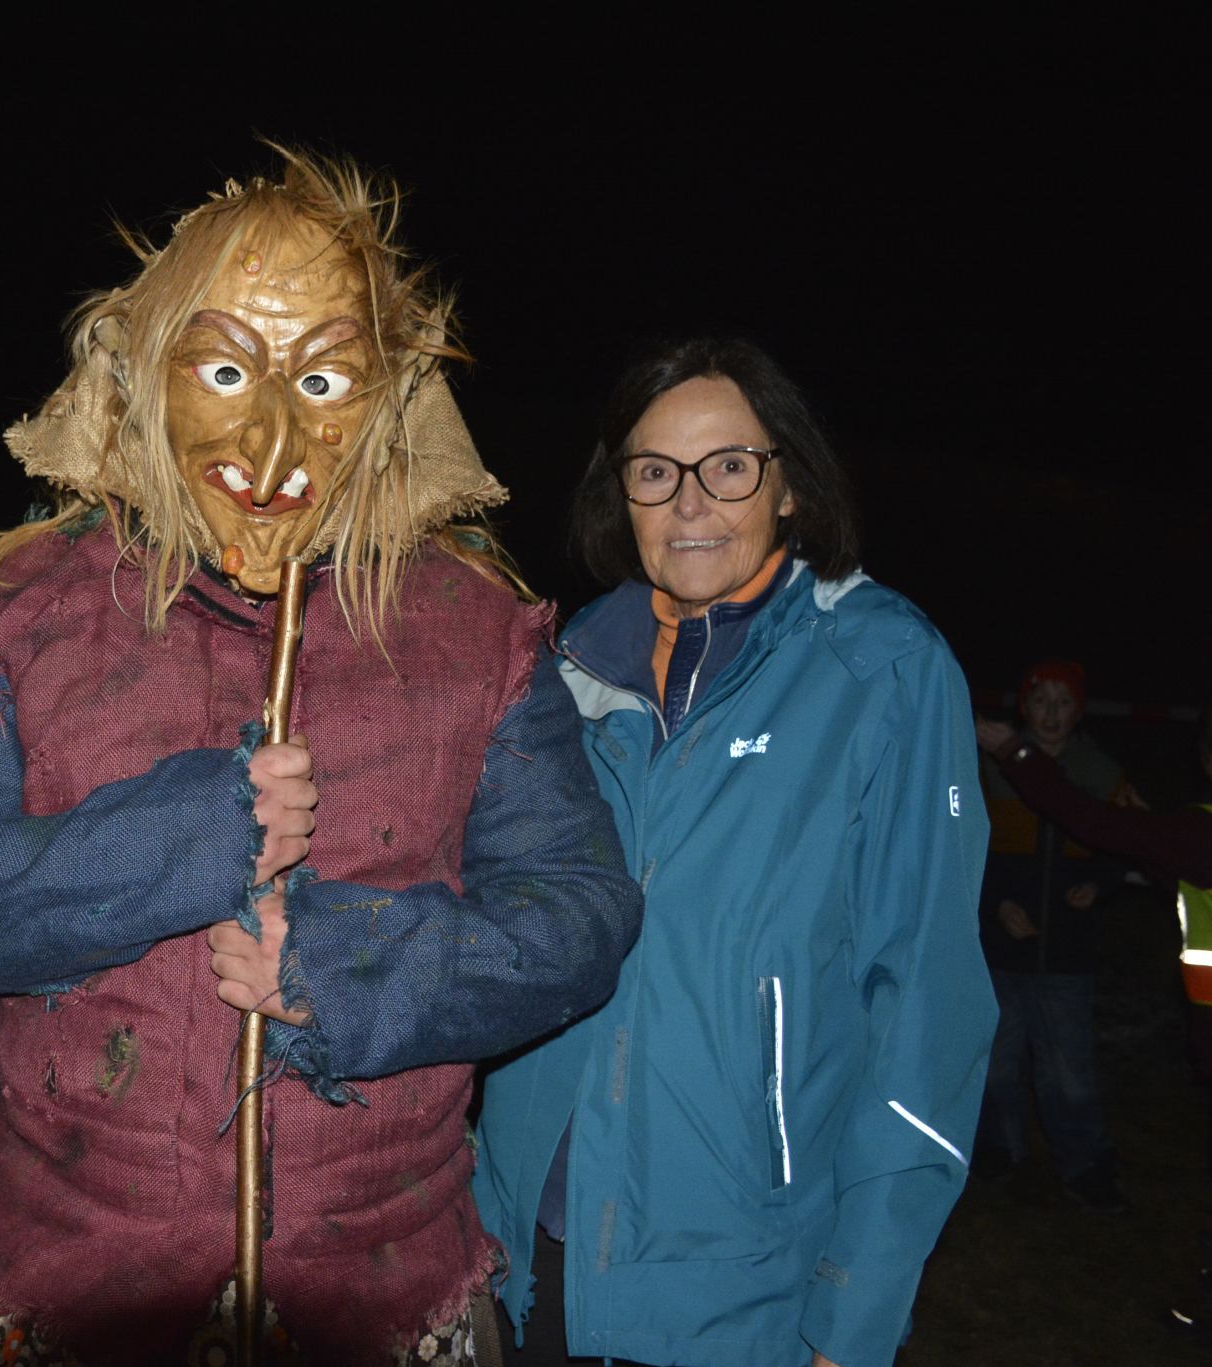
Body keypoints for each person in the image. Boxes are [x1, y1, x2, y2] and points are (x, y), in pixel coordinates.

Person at [0, 149, 643, 1366]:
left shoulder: (474, 630)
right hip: (73, 1290)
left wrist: (352, 961)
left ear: (386, 397)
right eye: (224, 368)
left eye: (325, 375)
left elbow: (581, 912)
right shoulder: (20, 609)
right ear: (141, 374)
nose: (275, 435)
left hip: (382, 1293)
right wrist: (173, 838)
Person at [472, 338, 994, 1367]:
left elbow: (925, 1008)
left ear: (786, 482)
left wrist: (855, 1305)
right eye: (654, 470)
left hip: (738, 1278)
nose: (688, 502)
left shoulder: (878, 667)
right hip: (520, 1256)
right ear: (618, 491)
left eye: (727, 465)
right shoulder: (562, 669)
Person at [974, 659, 1135, 1208]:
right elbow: (970, 851)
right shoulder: (992, 768)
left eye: (1063, 703)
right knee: (995, 1061)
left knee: (1068, 1068)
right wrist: (998, 904)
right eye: (1040, 701)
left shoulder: (1099, 771)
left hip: (1068, 951)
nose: (1051, 714)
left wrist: (1099, 883)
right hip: (1001, 950)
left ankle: (1085, 1162)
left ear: (1080, 711)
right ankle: (999, 1147)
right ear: (1024, 707)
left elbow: (1128, 841)